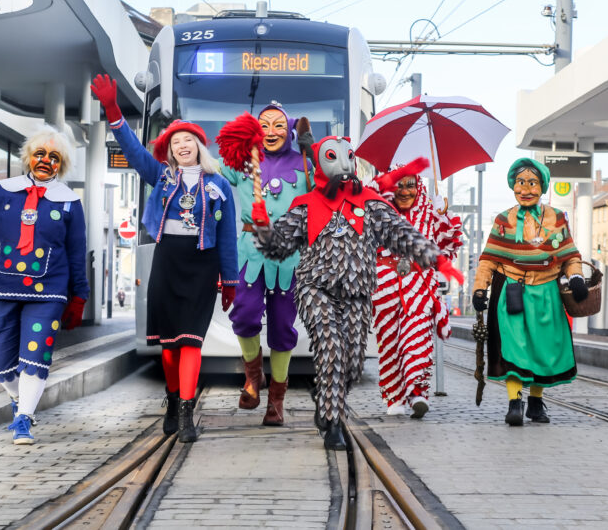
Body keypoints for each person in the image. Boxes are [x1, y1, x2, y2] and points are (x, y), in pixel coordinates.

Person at [253, 137, 462, 449]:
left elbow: (403, 235)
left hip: (358, 293)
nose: (344, 164)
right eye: (334, 157)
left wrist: (438, 259)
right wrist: (263, 226)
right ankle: (334, 423)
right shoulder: (306, 206)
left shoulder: (373, 204)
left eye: (348, 157)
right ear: (321, 162)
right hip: (316, 289)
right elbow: (277, 247)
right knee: (331, 349)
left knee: (350, 364)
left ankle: (326, 395)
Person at [91, 74, 237, 443]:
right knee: (169, 346)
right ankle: (172, 400)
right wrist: (112, 110)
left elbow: (228, 236)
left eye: (189, 139)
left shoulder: (219, 184)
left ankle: (186, 413)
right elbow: (135, 151)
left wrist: (229, 279)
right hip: (167, 261)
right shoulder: (161, 176)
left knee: (191, 341)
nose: (183, 145)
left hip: (202, 265)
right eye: (176, 141)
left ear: (200, 146)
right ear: (169, 150)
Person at [0, 125, 88, 445]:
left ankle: (24, 417)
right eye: (40, 154)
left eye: (54, 157)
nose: (45, 161)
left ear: (61, 164)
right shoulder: (3, 190)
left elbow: (77, 253)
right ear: (29, 157)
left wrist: (79, 296)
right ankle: (17, 398)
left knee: (36, 355)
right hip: (1, 286)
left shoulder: (69, 202)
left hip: (49, 291)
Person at [471, 158, 589, 426]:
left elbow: (570, 256)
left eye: (532, 183)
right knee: (513, 349)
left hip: (547, 293)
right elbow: (489, 258)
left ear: (542, 187)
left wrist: (577, 277)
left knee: (543, 350)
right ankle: (515, 402)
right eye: (520, 182)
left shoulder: (556, 218)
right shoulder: (503, 220)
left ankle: (535, 402)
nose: (525, 189)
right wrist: (480, 289)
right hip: (511, 291)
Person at [218, 102, 313, 426]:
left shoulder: (304, 163)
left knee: (283, 327)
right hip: (250, 252)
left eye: (278, 126)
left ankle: (277, 399)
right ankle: (253, 375)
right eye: (264, 125)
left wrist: (312, 153)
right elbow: (209, 166)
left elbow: (328, 191)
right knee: (243, 314)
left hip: (290, 256)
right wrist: (181, 145)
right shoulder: (244, 161)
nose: (271, 132)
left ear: (288, 130)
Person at [369, 171, 462, 418]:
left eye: (410, 185)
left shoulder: (429, 213)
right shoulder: (377, 211)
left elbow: (447, 245)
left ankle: (417, 393)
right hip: (385, 285)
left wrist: (443, 215)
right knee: (389, 343)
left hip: (419, 284)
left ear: (418, 186)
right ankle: (395, 396)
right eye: (398, 185)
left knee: (418, 338)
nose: (404, 191)